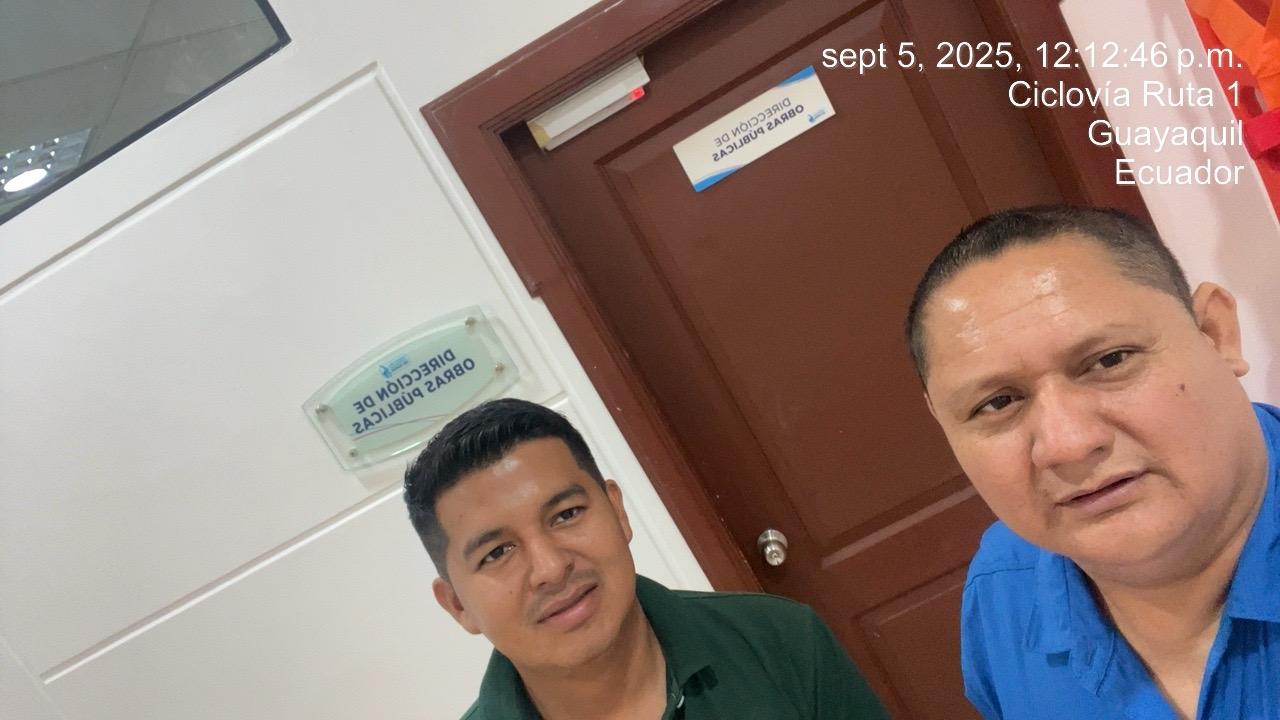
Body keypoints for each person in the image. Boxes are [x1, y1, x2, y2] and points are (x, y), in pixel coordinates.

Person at [905, 205, 1280, 719]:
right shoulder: (1004, 588)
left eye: (1110, 360)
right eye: (998, 403)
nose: (1068, 443)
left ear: (1215, 334)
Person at [403, 398, 887, 720]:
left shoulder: (779, 640)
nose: (551, 568)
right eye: (497, 553)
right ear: (457, 605)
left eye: (566, 514)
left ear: (617, 511)